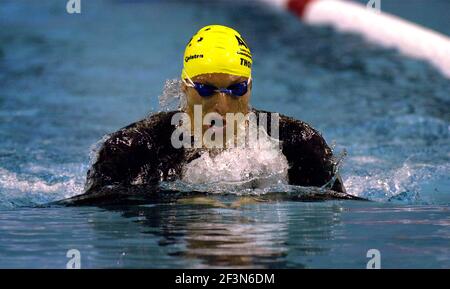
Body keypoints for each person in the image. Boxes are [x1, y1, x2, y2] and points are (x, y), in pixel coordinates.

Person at [73, 25, 346, 205]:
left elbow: (335, 214)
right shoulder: (134, 149)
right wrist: (178, 203)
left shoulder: (298, 143)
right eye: (206, 90)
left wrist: (271, 200)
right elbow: (95, 212)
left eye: (236, 89)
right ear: (184, 88)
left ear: (250, 87)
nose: (222, 107)